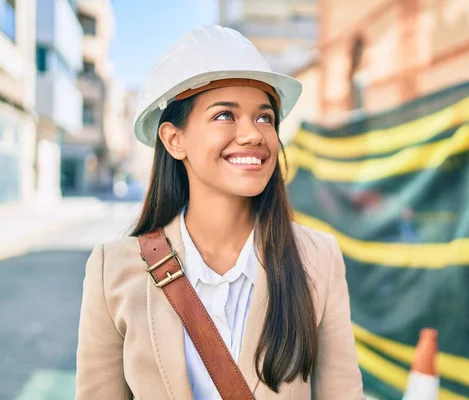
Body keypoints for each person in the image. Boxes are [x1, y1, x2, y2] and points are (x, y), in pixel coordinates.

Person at [75, 25, 365, 400]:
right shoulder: (112, 270)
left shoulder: (318, 259)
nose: (253, 134)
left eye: (264, 118)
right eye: (225, 115)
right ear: (174, 139)